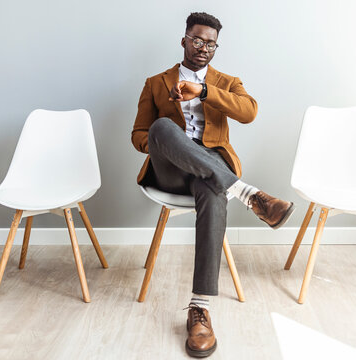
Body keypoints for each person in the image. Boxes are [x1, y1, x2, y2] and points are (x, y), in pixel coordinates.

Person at [131, 12, 295, 358]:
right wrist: (168, 144)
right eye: (196, 39)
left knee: (212, 188)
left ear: (216, 46)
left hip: (213, 169)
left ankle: (199, 309)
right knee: (162, 126)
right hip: (170, 171)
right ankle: (250, 194)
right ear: (184, 39)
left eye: (210, 43)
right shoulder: (156, 82)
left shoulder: (227, 81)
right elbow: (139, 134)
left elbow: (248, 112)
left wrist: (204, 91)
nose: (203, 47)